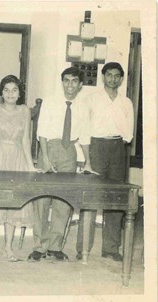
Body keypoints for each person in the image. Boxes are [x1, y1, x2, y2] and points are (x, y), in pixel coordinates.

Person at [27, 67, 90, 262]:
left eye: (74, 81)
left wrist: (88, 162)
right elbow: (42, 132)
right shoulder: (50, 101)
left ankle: (55, 247)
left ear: (80, 85)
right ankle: (39, 246)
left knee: (64, 201)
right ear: (62, 82)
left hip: (69, 151)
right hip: (49, 148)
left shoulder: (83, 106)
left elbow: (85, 136)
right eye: (66, 80)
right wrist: (44, 158)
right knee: (42, 200)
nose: (69, 85)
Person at [76, 62, 134, 262]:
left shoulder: (126, 102)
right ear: (103, 77)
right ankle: (82, 247)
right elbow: (84, 130)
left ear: (121, 79)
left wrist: (119, 145)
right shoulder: (91, 99)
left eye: (117, 76)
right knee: (90, 198)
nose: (113, 79)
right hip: (96, 147)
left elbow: (129, 134)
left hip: (118, 148)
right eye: (109, 75)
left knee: (116, 199)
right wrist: (88, 159)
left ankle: (110, 248)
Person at [0, 75, 36, 262]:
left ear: (20, 93)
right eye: (6, 90)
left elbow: (25, 139)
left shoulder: (25, 110)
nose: (10, 94)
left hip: (17, 159)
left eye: (14, 90)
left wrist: (30, 165)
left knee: (14, 204)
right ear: (1, 92)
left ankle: (8, 247)